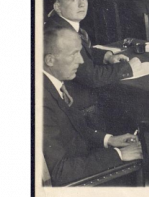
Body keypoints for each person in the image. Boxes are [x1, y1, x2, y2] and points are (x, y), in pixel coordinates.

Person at [42, 28, 142, 186]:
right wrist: (118, 155)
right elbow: (60, 172)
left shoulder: (51, 83)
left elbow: (73, 128)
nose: (81, 61)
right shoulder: (42, 102)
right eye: (73, 54)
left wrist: (109, 140)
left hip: (82, 158)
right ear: (50, 60)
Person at [45, 0, 139, 110]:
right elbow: (92, 77)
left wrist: (106, 57)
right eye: (74, 0)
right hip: (75, 102)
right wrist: (127, 67)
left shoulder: (62, 24)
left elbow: (83, 51)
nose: (82, 4)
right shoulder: (61, 33)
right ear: (57, 6)